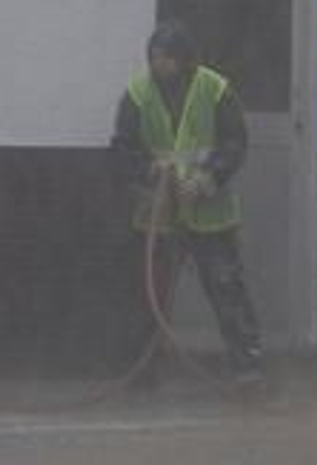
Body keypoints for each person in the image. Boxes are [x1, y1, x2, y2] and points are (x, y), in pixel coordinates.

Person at [111, 19, 264, 385]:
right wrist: (151, 172)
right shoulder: (137, 94)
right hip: (158, 214)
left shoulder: (214, 90)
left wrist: (208, 178)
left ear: (183, 59)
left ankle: (247, 365)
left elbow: (234, 143)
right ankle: (142, 370)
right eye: (154, 57)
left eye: (166, 58)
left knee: (225, 286)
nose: (159, 65)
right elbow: (122, 149)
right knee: (149, 293)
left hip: (208, 211)